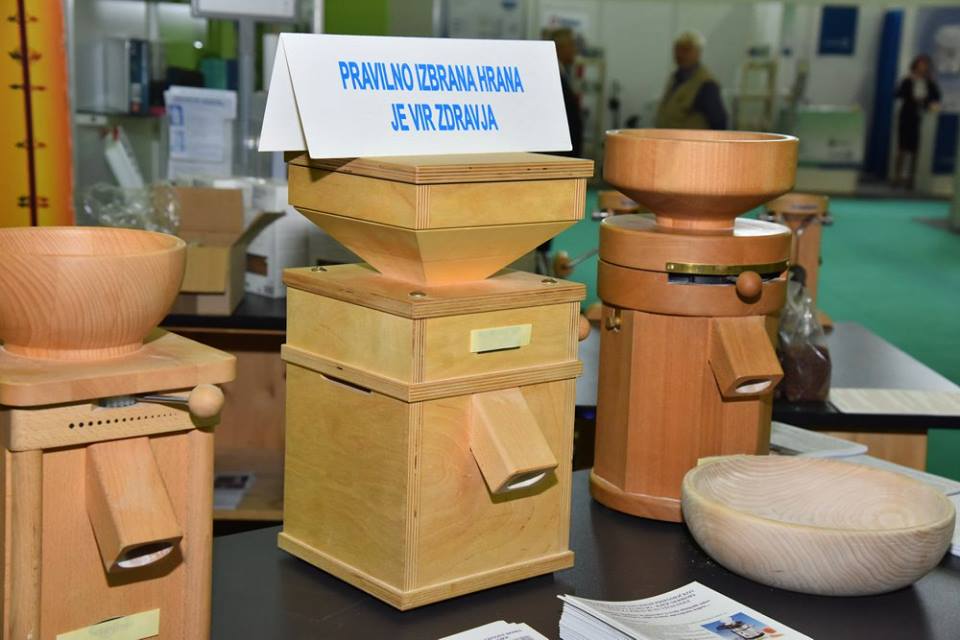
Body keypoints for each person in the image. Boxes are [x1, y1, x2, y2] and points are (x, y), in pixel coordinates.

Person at [655, 31, 727, 130]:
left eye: (686, 50)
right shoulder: (675, 78)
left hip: (691, 139)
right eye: (677, 49)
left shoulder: (706, 84)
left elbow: (718, 122)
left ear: (698, 53)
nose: (680, 54)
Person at [894, 54, 941, 189]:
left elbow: (937, 96)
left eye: (925, 65)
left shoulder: (929, 82)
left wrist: (928, 102)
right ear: (915, 66)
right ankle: (897, 177)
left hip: (921, 116)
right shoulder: (907, 80)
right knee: (902, 147)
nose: (922, 67)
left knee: (915, 149)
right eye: (920, 64)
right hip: (906, 114)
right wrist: (909, 86)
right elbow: (898, 94)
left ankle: (911, 178)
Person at [545, 27, 583, 158]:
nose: (574, 50)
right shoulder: (551, 75)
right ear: (558, 48)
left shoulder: (563, 72)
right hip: (558, 152)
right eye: (571, 45)